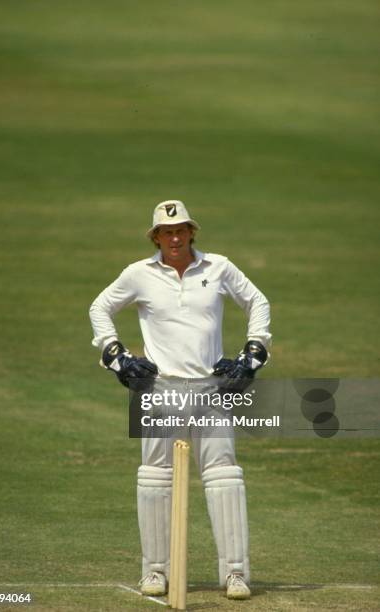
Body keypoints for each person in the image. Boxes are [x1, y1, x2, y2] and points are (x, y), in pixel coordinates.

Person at [89, 200, 271, 600]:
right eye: (166, 232)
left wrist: (254, 351)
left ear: (192, 232)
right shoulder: (138, 274)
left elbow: (258, 302)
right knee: (155, 479)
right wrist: (115, 355)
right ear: (156, 237)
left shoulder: (219, 267)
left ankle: (235, 574)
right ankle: (155, 571)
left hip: (212, 388)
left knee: (225, 477)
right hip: (157, 390)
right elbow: (100, 307)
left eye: (181, 230)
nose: (175, 238)